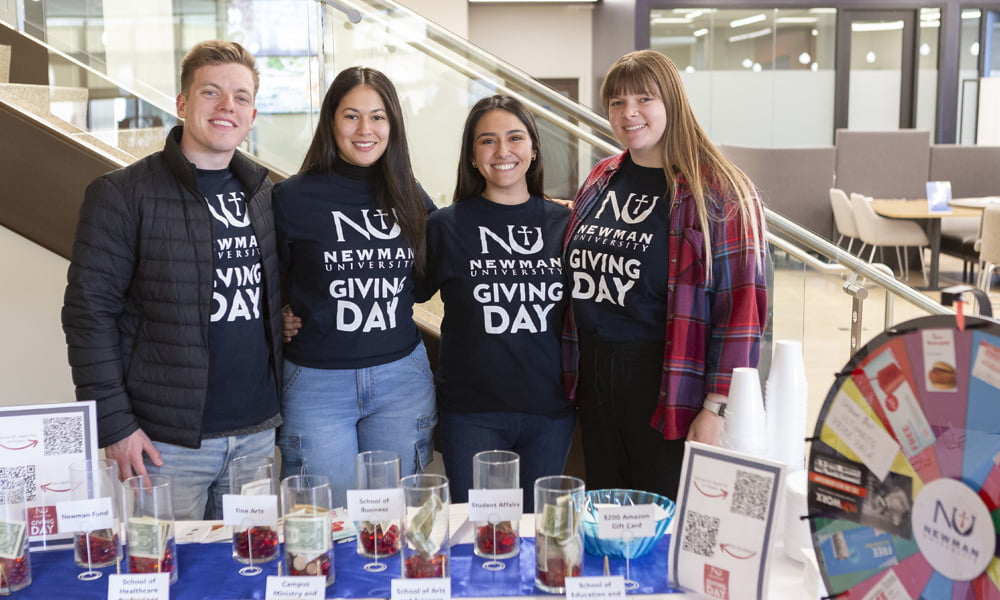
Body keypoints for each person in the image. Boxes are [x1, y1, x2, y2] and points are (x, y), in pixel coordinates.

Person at [62, 40, 283, 520]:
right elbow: (88, 315)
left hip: (257, 435)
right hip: (166, 445)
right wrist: (114, 425)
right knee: (166, 580)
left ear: (253, 114)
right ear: (182, 104)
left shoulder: (264, 193)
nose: (228, 106)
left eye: (241, 97)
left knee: (251, 576)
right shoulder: (121, 194)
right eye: (211, 92)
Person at [562, 50, 767, 498]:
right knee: (606, 512)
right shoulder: (602, 177)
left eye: (643, 99)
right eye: (616, 102)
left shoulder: (720, 192)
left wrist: (717, 407)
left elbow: (742, 311)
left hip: (671, 381)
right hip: (594, 378)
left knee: (662, 523)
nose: (628, 113)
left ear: (672, 103)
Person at [273, 66, 436, 507]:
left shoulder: (410, 194)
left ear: (393, 125)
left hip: (401, 379)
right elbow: (264, 279)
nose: (366, 129)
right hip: (316, 385)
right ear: (331, 122)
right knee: (323, 522)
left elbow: (424, 283)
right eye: (351, 116)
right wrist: (277, 317)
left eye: (378, 117)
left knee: (396, 521)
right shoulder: (290, 198)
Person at [416, 96, 575, 510]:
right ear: (472, 155)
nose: (503, 151)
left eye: (515, 137)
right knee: (479, 538)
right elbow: (400, 295)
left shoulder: (565, 225)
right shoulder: (446, 227)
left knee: (540, 537)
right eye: (488, 141)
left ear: (534, 148)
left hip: (551, 411)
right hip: (471, 413)